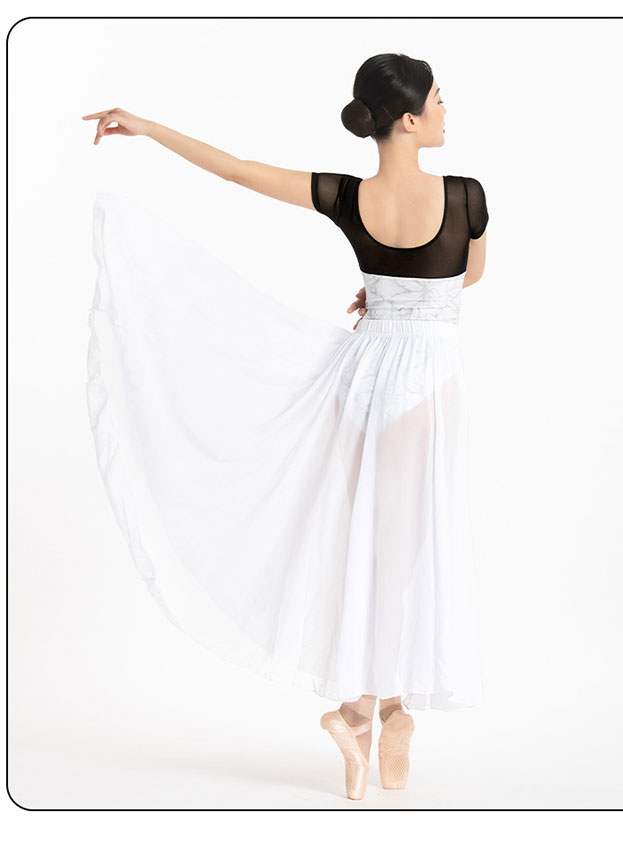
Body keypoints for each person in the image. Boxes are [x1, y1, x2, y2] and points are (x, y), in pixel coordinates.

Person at [82, 51, 488, 801]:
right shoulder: (465, 194)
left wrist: (146, 126)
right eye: (437, 100)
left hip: (364, 377)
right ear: (407, 119)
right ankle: (369, 709)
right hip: (425, 383)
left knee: (371, 544)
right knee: (402, 551)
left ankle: (378, 709)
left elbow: (239, 170)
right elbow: (468, 274)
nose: (444, 110)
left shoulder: (347, 195)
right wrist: (401, 293)